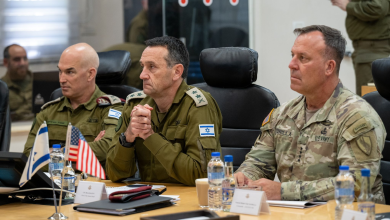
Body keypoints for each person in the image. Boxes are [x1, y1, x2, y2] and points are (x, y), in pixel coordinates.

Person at [235, 25, 386, 204]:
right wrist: (244, 176)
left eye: (303, 58)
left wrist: (283, 191)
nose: (291, 65)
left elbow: (355, 185)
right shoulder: (283, 113)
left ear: (329, 67)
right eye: (292, 55)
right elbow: (259, 162)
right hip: (295, 213)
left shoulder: (357, 116)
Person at [106, 36, 222, 186]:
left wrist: (150, 136)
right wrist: (127, 138)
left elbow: (201, 175)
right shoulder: (135, 104)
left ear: (176, 72)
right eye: (142, 66)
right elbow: (114, 173)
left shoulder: (198, 106)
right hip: (146, 198)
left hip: (187, 201)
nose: (142, 75)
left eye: (152, 67)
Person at [23, 43, 123, 169]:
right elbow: (28, 156)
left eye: (70, 72)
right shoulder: (49, 111)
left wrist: (50, 153)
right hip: (53, 186)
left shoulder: (111, 109)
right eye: (60, 71)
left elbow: (107, 149)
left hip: (93, 186)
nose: (61, 79)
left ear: (90, 74)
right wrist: (81, 155)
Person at [331, 0, 390, 96]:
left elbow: (377, 8)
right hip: (367, 50)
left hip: (372, 51)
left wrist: (349, 5)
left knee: (369, 101)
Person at [1, 44, 34, 121]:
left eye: (25, 58)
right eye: (17, 59)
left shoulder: (39, 81)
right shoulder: (1, 88)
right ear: (6, 62)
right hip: (14, 130)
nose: (23, 63)